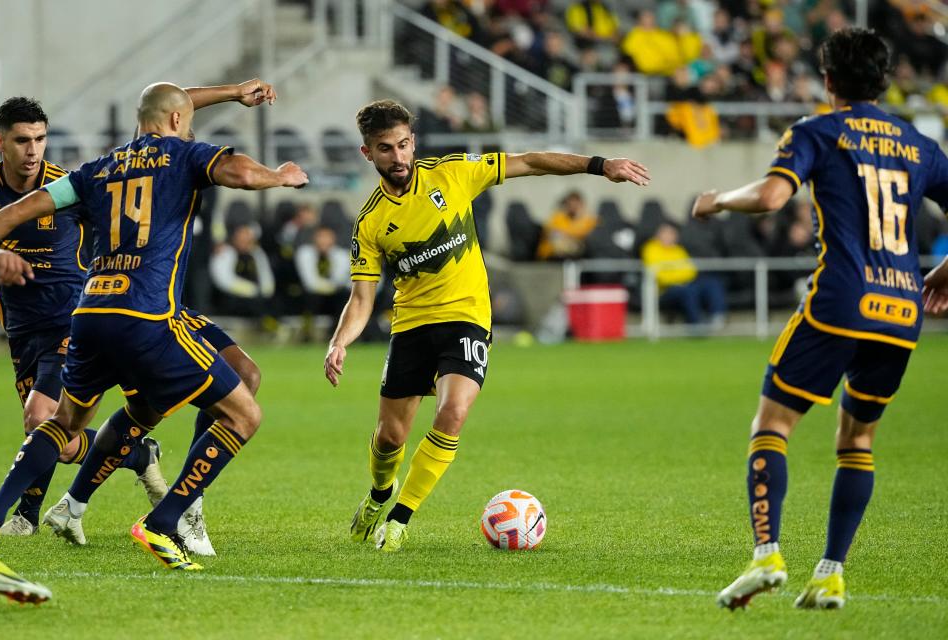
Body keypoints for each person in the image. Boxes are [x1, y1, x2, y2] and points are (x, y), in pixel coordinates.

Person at [0, 81, 307, 586]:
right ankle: (165, 519)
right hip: (148, 317)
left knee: (65, 421)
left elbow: (9, 216)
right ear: (178, 122)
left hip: (88, 315)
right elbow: (237, 171)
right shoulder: (184, 155)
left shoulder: (93, 171)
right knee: (245, 409)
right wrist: (279, 176)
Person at [691, 28, 948, 610]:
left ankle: (766, 556)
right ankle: (830, 573)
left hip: (837, 303)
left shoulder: (817, 131)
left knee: (772, 426)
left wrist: (718, 201)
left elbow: (773, 197)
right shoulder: (918, 144)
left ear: (828, 80)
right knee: (857, 440)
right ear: (884, 81)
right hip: (901, 310)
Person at [324, 99, 650, 552]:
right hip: (412, 324)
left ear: (413, 142)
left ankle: (399, 520)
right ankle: (381, 493)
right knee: (390, 436)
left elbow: (531, 161)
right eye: (385, 149)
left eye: (403, 145)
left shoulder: (453, 172)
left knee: (452, 412)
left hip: (468, 318)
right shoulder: (370, 221)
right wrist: (340, 342)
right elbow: (361, 299)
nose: (398, 157)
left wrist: (599, 164)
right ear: (368, 154)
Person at [0, 98, 167, 540]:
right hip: (21, 329)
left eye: (40, 139)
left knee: (40, 416)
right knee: (61, 442)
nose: (33, 150)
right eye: (22, 140)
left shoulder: (68, 188)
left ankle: (24, 516)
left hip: (72, 322)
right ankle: (135, 455)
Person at [640, 221, 726, 328]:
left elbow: (690, 271)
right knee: (688, 291)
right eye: (665, 233)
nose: (668, 236)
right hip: (664, 291)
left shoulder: (678, 250)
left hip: (684, 285)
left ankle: (717, 318)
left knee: (712, 283)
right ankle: (696, 325)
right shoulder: (651, 249)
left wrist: (675, 275)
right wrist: (678, 277)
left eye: (671, 233)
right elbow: (660, 276)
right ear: (658, 234)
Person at [295, 225, 351, 325]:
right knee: (310, 297)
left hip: (334, 294)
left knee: (345, 295)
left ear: (334, 239)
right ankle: (308, 331)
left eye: (327, 237)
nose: (324, 241)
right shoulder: (304, 253)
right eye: (321, 237)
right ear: (314, 238)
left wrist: (331, 287)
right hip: (313, 295)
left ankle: (339, 329)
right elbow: (310, 282)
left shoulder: (342, 255)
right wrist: (328, 287)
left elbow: (339, 279)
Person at [536, 190, 598, 260]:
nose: (573, 207)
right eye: (570, 204)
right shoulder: (558, 218)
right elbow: (551, 233)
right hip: (552, 255)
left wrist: (579, 217)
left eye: (576, 204)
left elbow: (587, 233)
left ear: (581, 205)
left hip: (578, 254)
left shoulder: (588, 220)